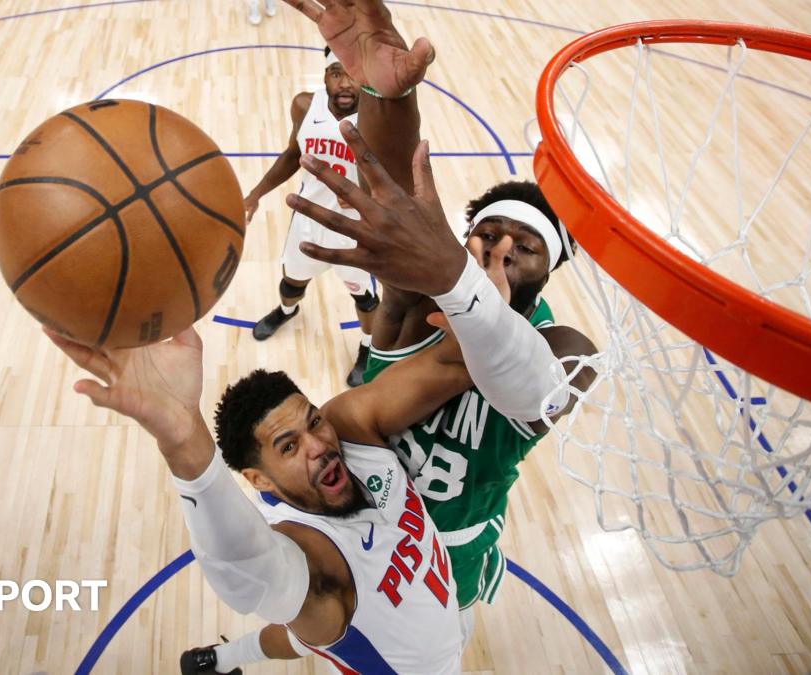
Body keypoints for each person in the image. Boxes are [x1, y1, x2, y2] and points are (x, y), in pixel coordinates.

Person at [212, 0, 600, 660]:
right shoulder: (418, 298)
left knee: (423, 632)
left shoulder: (568, 350)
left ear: (552, 265)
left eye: (526, 246)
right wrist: (387, 99)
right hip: (357, 496)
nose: (501, 249)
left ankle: (236, 657)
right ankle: (231, 656)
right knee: (319, 617)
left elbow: (519, 387)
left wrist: (467, 290)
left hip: (449, 535)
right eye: (489, 232)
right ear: (463, 236)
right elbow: (399, 200)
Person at [45, 312, 486, 674]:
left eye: (313, 421)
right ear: (259, 480)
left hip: (442, 611)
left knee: (298, 637)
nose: (318, 447)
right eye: (288, 447)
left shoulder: (349, 429)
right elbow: (249, 570)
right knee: (310, 623)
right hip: (414, 661)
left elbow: (454, 363)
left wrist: (478, 308)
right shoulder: (310, 559)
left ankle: (217, 660)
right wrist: (183, 439)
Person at [243, 46, 379, 387]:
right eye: (337, 73)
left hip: (355, 229)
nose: (345, 83)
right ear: (325, 77)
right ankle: (288, 312)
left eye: (353, 74)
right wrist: (255, 194)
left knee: (362, 296)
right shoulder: (305, 105)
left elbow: (392, 173)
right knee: (292, 281)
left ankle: (367, 347)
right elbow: (293, 154)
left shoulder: (379, 116)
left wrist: (367, 196)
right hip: (308, 219)